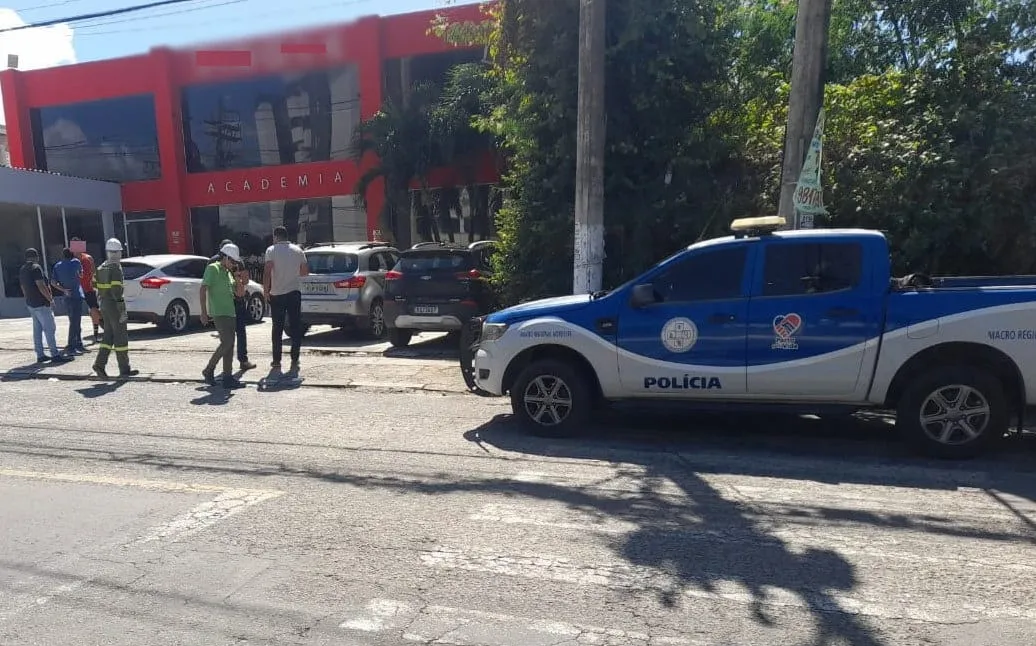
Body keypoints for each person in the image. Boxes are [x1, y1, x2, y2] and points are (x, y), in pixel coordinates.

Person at [264, 226, 308, 376]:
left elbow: (267, 271)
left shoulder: (271, 250)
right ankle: (295, 358)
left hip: (277, 293)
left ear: (276, 236)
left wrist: (265, 290)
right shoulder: (298, 250)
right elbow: (304, 272)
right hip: (294, 292)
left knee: (277, 328)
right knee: (295, 326)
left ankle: (276, 360)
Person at [92, 238, 139, 379]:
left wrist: (102, 297)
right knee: (120, 338)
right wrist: (122, 309)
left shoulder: (101, 267)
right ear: (118, 253)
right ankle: (124, 369)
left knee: (108, 336)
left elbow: (94, 284)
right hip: (114, 305)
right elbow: (116, 290)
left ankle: (99, 365)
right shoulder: (116, 268)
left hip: (104, 304)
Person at [200, 243, 245, 389]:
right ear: (224, 257)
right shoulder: (213, 268)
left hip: (230, 313)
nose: (233, 264)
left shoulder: (228, 273)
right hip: (219, 313)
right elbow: (203, 289)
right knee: (226, 342)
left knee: (230, 345)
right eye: (232, 261)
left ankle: (227, 377)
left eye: (235, 262)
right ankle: (209, 369)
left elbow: (240, 293)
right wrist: (204, 312)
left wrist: (237, 277)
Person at [210, 239, 255, 371]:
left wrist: (236, 276)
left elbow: (244, 281)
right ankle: (230, 367)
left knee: (234, 335)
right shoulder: (214, 264)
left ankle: (226, 370)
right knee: (232, 336)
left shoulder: (236, 262)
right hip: (227, 303)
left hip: (234, 301)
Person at [20, 248, 66, 364]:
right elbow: (41, 285)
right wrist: (50, 299)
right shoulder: (36, 268)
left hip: (31, 304)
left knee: (37, 330)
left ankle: (40, 355)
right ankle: (55, 354)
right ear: (36, 257)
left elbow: (23, 287)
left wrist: (28, 299)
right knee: (49, 329)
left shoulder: (23, 269)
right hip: (41, 303)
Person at [51, 247, 85, 356]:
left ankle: (78, 343)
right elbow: (81, 274)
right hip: (76, 294)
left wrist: (64, 289)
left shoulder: (57, 266)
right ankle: (72, 345)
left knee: (73, 320)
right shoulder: (76, 262)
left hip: (67, 295)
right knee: (76, 321)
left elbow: (53, 282)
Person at [71, 238, 101, 342]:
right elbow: (94, 273)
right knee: (93, 309)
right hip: (86, 288)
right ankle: (95, 334)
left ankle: (80, 337)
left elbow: (93, 273)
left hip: (81, 289)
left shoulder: (72, 260)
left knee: (89, 310)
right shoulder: (88, 258)